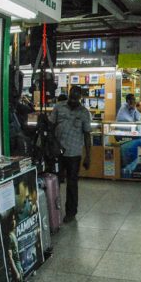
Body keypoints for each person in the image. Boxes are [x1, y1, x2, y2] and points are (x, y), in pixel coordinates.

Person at [51, 85, 91, 223]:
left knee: (72, 184)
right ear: (68, 94)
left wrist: (88, 156)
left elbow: (87, 135)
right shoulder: (58, 108)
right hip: (58, 152)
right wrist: (53, 145)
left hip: (74, 154)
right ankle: (53, 211)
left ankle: (71, 212)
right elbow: (51, 126)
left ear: (80, 97)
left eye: (76, 98)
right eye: (71, 97)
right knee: (54, 182)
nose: (73, 100)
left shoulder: (84, 113)